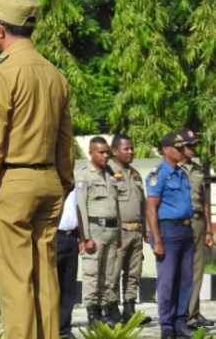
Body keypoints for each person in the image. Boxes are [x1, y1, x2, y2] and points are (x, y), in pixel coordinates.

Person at [0, 0, 74, 337]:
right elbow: (65, 140)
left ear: (0, 30)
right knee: (45, 277)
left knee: (16, 282)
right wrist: (64, 183)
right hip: (50, 181)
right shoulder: (54, 73)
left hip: (13, 183)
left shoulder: (1, 72)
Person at [146, 132, 194, 339]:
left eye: (183, 148)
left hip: (185, 230)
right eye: (178, 148)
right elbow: (151, 209)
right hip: (168, 231)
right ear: (166, 150)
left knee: (185, 279)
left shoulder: (182, 173)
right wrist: (157, 240)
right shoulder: (158, 175)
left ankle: (181, 322)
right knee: (167, 280)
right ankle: (167, 324)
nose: (182, 151)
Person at [106, 135, 152, 325]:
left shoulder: (134, 174)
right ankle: (112, 310)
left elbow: (143, 204)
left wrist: (147, 229)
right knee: (114, 272)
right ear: (115, 151)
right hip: (119, 232)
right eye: (127, 149)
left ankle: (130, 309)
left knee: (134, 272)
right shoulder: (108, 173)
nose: (131, 152)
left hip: (136, 232)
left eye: (132, 148)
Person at [76, 137, 121, 328]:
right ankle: (92, 313)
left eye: (106, 152)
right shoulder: (84, 175)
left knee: (107, 274)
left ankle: (105, 311)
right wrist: (85, 237)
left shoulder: (110, 173)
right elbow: (81, 207)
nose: (105, 155)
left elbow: (115, 205)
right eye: (101, 152)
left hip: (111, 230)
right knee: (92, 273)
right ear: (91, 153)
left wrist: (118, 233)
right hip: (95, 230)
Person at [176, 129, 215, 330]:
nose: (193, 149)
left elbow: (203, 201)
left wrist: (209, 230)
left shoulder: (198, 170)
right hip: (180, 223)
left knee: (197, 269)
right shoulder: (172, 170)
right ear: (178, 148)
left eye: (194, 145)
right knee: (182, 270)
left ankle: (194, 312)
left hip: (198, 222)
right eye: (189, 145)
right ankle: (184, 316)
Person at [57, 189, 84, 339]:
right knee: (52, 285)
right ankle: (49, 327)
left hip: (71, 237)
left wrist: (82, 237)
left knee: (68, 286)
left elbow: (76, 209)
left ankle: (63, 329)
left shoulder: (70, 183)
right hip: (54, 237)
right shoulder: (49, 179)